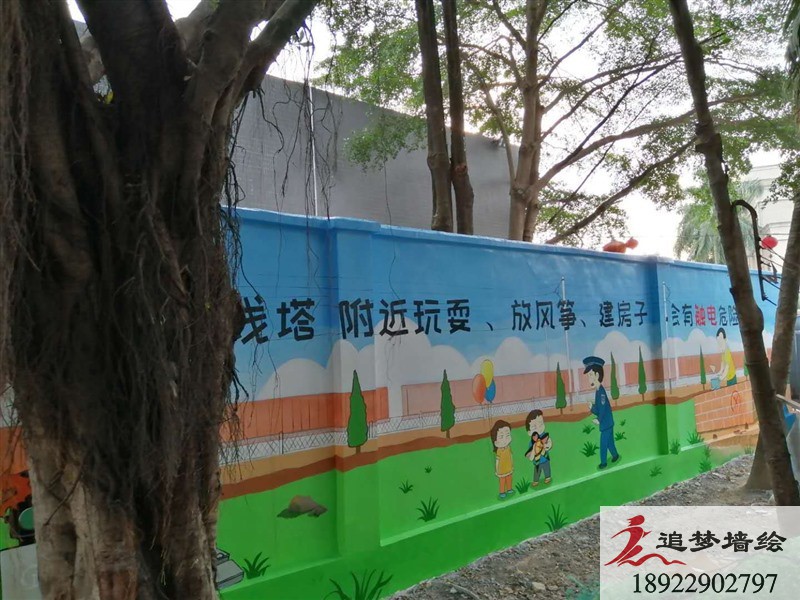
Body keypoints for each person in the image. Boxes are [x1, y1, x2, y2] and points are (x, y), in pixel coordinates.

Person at [584, 356, 620, 469]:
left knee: (603, 444)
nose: (589, 378)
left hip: (606, 423)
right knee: (609, 442)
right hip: (608, 423)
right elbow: (599, 409)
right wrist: (592, 408)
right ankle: (615, 455)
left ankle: (603, 462)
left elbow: (603, 409)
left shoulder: (601, 392)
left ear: (597, 375)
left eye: (590, 375)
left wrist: (599, 420)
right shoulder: (598, 391)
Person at [524, 409, 552, 487]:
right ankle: (536, 480)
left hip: (545, 458)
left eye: (541, 424)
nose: (538, 428)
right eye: (534, 427)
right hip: (537, 460)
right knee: (537, 470)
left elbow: (549, 442)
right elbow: (530, 451)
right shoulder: (532, 442)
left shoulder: (544, 436)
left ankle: (548, 477)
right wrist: (531, 456)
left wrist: (547, 446)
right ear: (529, 432)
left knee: (546, 468)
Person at [490, 420, 514, 499]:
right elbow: (497, 461)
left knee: (509, 478)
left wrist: (512, 466)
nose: (505, 439)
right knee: (502, 481)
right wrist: (497, 471)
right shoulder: (499, 451)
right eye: (501, 436)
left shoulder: (508, 448)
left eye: (507, 435)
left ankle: (509, 489)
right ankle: (502, 492)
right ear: (496, 442)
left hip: (509, 467)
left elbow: (510, 457)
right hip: (502, 470)